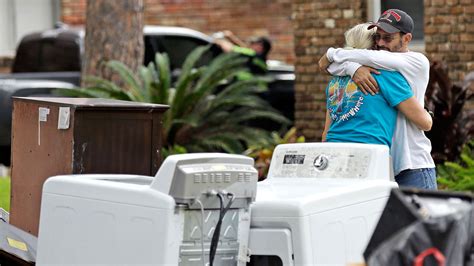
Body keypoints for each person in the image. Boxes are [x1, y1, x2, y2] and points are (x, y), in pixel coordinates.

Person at [319, 9, 437, 190]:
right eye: (377, 38)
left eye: (388, 38)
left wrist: (335, 57)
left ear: (406, 39)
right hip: (381, 165)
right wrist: (353, 68)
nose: (381, 43)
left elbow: (338, 63)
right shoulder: (369, 71)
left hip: (411, 163)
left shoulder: (414, 61)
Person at [322, 23, 431, 151]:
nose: (381, 44)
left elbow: (325, 133)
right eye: (377, 38)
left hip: (331, 150)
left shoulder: (335, 80)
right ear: (374, 47)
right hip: (369, 152)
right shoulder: (385, 76)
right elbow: (425, 122)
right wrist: (428, 114)